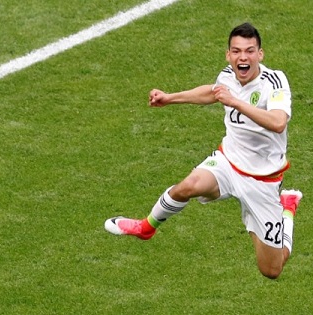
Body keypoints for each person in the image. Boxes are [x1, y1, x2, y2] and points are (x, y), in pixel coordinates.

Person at [104, 22, 302, 279]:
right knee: (187, 186)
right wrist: (170, 98)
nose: (243, 57)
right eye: (237, 51)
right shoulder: (228, 75)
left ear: (260, 54)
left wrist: (236, 102)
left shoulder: (274, 81)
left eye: (250, 51)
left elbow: (277, 122)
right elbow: (211, 92)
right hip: (228, 164)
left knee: (271, 270)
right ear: (228, 54)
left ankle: (287, 208)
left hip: (263, 182)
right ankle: (146, 227)